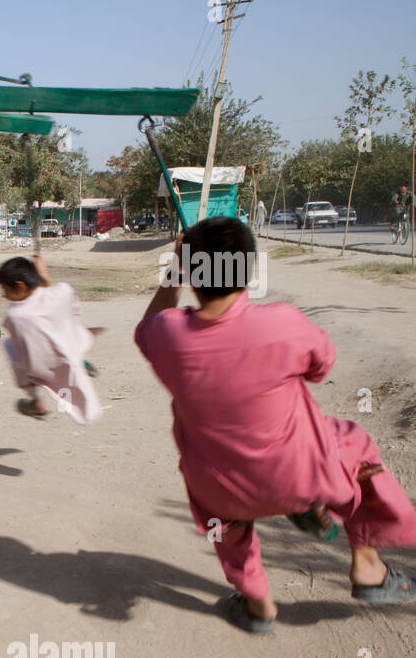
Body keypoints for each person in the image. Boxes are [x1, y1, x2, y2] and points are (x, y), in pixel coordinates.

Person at [135, 216, 415, 633]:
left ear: (190, 275)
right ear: (248, 270)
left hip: (222, 494)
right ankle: (367, 566)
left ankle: (258, 605)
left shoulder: (166, 335)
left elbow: (145, 327)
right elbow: (322, 367)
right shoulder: (282, 322)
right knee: (355, 442)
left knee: (220, 522)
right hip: (304, 472)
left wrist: (176, 267)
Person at [0, 254, 102, 424]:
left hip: (42, 367)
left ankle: (35, 400)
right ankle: (80, 360)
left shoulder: (15, 316)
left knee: (10, 346)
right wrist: (45, 277)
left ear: (20, 286)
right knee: (65, 327)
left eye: (6, 290)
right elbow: (65, 298)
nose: (4, 296)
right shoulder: (58, 293)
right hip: (69, 350)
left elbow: (22, 343)